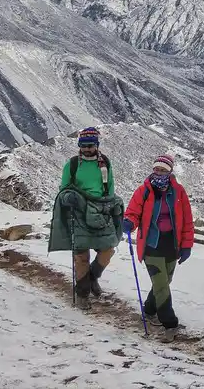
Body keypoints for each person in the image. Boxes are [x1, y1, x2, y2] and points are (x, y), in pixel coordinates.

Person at [47, 127, 124, 309]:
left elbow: (109, 187)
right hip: (79, 213)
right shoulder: (72, 164)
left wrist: (111, 204)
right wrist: (68, 198)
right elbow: (64, 189)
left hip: (101, 210)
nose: (87, 149)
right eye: (83, 145)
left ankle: (91, 278)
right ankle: (82, 294)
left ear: (96, 145)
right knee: (81, 256)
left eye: (90, 145)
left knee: (108, 249)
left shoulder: (105, 163)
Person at [122, 154, 195, 342]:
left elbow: (187, 220)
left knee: (164, 281)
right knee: (161, 286)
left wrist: (186, 245)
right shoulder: (144, 191)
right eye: (156, 169)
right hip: (151, 245)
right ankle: (170, 324)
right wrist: (129, 222)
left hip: (171, 244)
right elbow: (133, 212)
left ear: (170, 171)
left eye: (163, 170)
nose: (159, 173)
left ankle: (149, 310)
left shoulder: (178, 192)